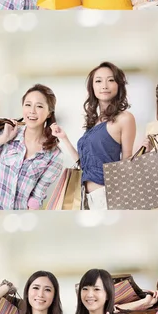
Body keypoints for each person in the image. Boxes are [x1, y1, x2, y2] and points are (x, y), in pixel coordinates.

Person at [51, 62, 136, 210]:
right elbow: (85, 165)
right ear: (92, 87)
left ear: (119, 85)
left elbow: (126, 162)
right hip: (85, 197)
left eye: (110, 80)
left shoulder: (125, 118)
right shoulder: (94, 122)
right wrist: (64, 139)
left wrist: (122, 201)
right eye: (98, 81)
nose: (104, 85)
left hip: (107, 196)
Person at [0, 84, 64, 210]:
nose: (32, 111)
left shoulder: (55, 155)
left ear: (49, 113)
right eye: (28, 105)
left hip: (16, 220)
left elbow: (36, 199)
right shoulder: (10, 133)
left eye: (39, 106)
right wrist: (3, 138)